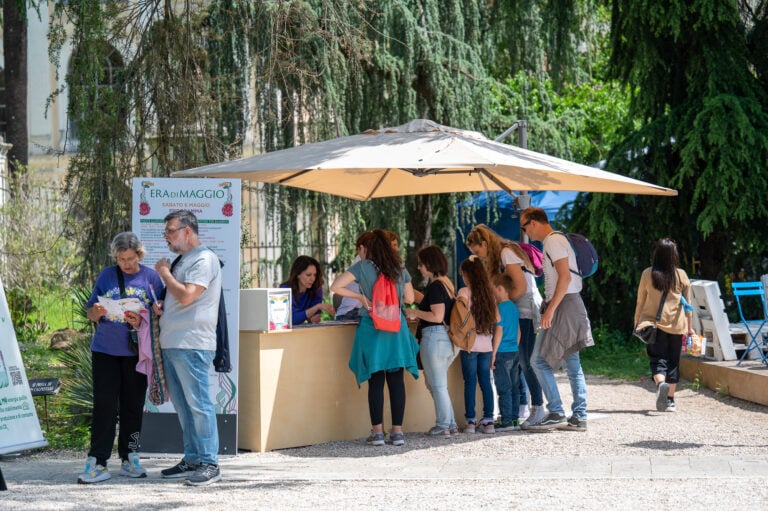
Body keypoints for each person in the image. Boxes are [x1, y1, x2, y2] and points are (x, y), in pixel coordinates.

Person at [77, 232, 165, 484]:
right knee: (104, 406)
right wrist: (96, 311)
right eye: (121, 258)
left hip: (137, 353)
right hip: (105, 350)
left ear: (139, 254)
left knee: (133, 407)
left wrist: (145, 316)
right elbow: (91, 313)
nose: (126, 263)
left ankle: (131, 455)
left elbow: (160, 311)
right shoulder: (107, 275)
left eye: (130, 258)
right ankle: (98, 460)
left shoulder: (150, 277)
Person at [330, 229, 419, 447]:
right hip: (396, 329)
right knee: (397, 380)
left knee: (376, 381)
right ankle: (397, 433)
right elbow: (409, 298)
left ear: (365, 248)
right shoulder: (399, 267)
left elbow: (335, 287)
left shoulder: (362, 267)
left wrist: (360, 295)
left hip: (372, 327)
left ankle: (377, 433)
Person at [153, 210, 223, 486]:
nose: (167, 237)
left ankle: (209, 462)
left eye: (171, 231)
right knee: (184, 406)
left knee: (199, 404)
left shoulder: (204, 259)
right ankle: (193, 458)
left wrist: (164, 273)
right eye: (166, 232)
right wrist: (161, 307)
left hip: (192, 343)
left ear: (188, 231)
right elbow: (178, 298)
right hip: (174, 342)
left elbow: (186, 295)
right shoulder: (185, 260)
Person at [519, 207, 593, 432]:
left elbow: (565, 276)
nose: (525, 232)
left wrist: (550, 310)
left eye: (524, 226)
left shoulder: (553, 241)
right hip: (567, 303)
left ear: (533, 222)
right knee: (571, 364)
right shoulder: (556, 240)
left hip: (563, 305)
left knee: (538, 361)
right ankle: (577, 415)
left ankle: (558, 412)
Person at [466, 224, 546, 428]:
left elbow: (521, 287)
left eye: (477, 251)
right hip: (517, 309)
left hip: (525, 308)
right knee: (518, 361)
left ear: (484, 244)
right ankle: (519, 408)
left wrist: (504, 305)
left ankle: (537, 407)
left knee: (526, 360)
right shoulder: (502, 254)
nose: (479, 255)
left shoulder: (507, 253)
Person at [634, 238, 694, 412]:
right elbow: (688, 305)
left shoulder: (647, 273)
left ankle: (661, 384)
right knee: (673, 361)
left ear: (657, 254)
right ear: (673, 256)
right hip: (677, 325)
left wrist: (637, 320)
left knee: (657, 359)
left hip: (653, 324)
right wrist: (689, 327)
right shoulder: (681, 275)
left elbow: (640, 300)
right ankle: (670, 401)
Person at [406, 245, 458, 438]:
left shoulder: (436, 286)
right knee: (438, 384)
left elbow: (437, 316)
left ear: (429, 264)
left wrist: (414, 312)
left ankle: (443, 424)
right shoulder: (446, 283)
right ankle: (450, 423)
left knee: (437, 385)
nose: (419, 267)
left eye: (420, 264)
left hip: (434, 338)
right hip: (445, 339)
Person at [456, 256, 499, 434]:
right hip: (486, 346)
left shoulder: (464, 292)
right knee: (486, 383)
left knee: (470, 382)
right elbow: (497, 319)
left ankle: (471, 422)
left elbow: (460, 316)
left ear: (467, 275)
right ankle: (489, 421)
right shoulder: (489, 294)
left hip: (469, 345)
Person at [335, 231, 400, 321]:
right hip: (352, 312)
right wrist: (361, 298)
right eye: (393, 245)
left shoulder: (382, 263)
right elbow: (335, 286)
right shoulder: (363, 262)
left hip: (368, 311)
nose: (397, 249)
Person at [491, 273, 523, 431]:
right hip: (514, 351)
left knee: (504, 387)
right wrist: (515, 347)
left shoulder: (499, 308)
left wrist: (493, 353)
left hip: (502, 352)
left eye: (493, 290)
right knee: (515, 386)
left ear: (500, 288)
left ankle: (506, 421)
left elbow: (499, 330)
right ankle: (515, 419)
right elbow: (518, 332)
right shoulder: (514, 307)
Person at [281, 255, 335, 324]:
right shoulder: (285, 289)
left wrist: (313, 318)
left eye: (314, 275)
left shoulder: (316, 288)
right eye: (308, 275)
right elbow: (291, 319)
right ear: (298, 274)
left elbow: (314, 318)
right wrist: (317, 307)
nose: (312, 279)